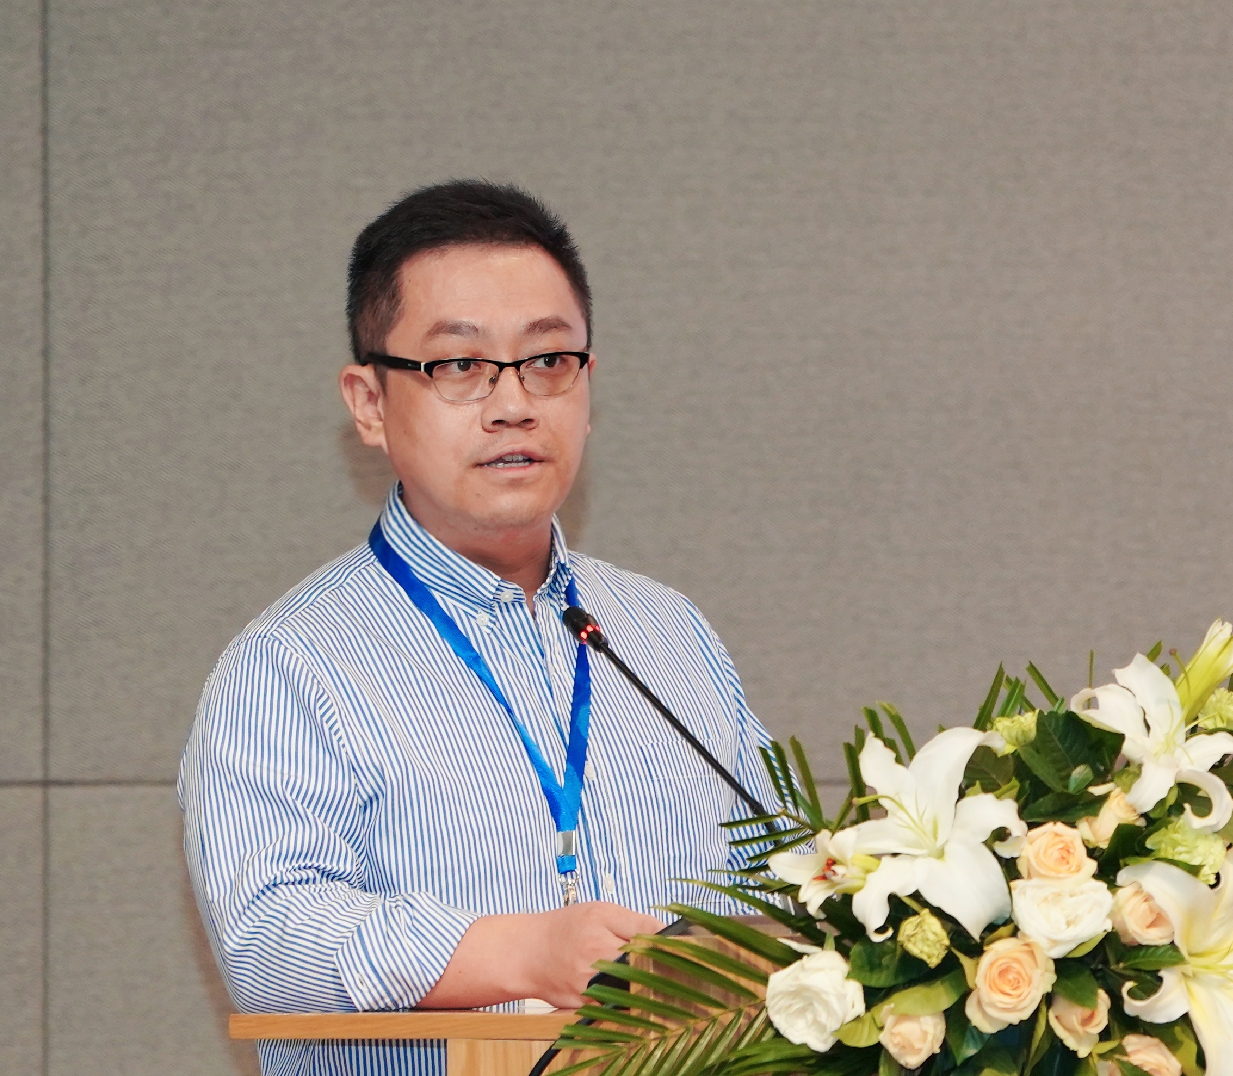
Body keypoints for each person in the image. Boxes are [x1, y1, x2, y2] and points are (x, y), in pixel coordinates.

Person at [179, 180, 777, 1076]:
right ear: (369, 403)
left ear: (587, 384)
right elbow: (268, 942)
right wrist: (518, 953)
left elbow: (783, 875)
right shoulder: (291, 665)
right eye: (459, 366)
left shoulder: (665, 631)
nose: (513, 404)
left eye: (548, 360)